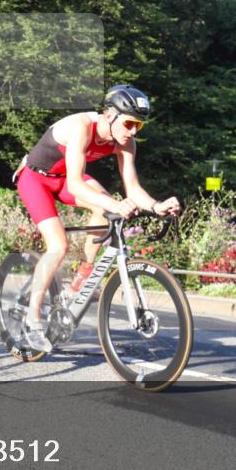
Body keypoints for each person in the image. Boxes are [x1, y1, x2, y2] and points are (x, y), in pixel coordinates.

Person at [14, 85, 181, 352]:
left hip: (64, 180)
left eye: (139, 125)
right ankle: (32, 321)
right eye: (129, 123)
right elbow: (77, 184)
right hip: (36, 179)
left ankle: (83, 276)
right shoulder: (82, 126)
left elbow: (133, 189)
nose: (133, 131)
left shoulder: (127, 142)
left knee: (107, 211)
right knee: (58, 246)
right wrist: (116, 203)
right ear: (109, 116)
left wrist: (157, 205)